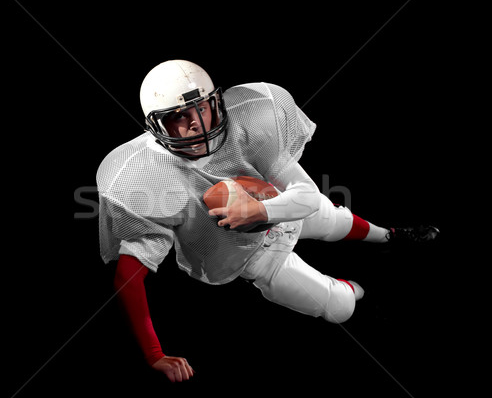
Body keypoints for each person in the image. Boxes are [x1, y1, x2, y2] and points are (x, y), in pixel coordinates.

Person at [96, 60, 439, 383]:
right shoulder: (139, 175)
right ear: (156, 125)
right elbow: (128, 275)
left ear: (215, 101)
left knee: (334, 216)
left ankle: (390, 237)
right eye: (179, 116)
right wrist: (154, 354)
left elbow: (304, 195)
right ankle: (356, 289)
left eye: (201, 107)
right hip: (249, 254)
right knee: (338, 307)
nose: (196, 122)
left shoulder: (249, 117)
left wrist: (260, 211)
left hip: (275, 201)